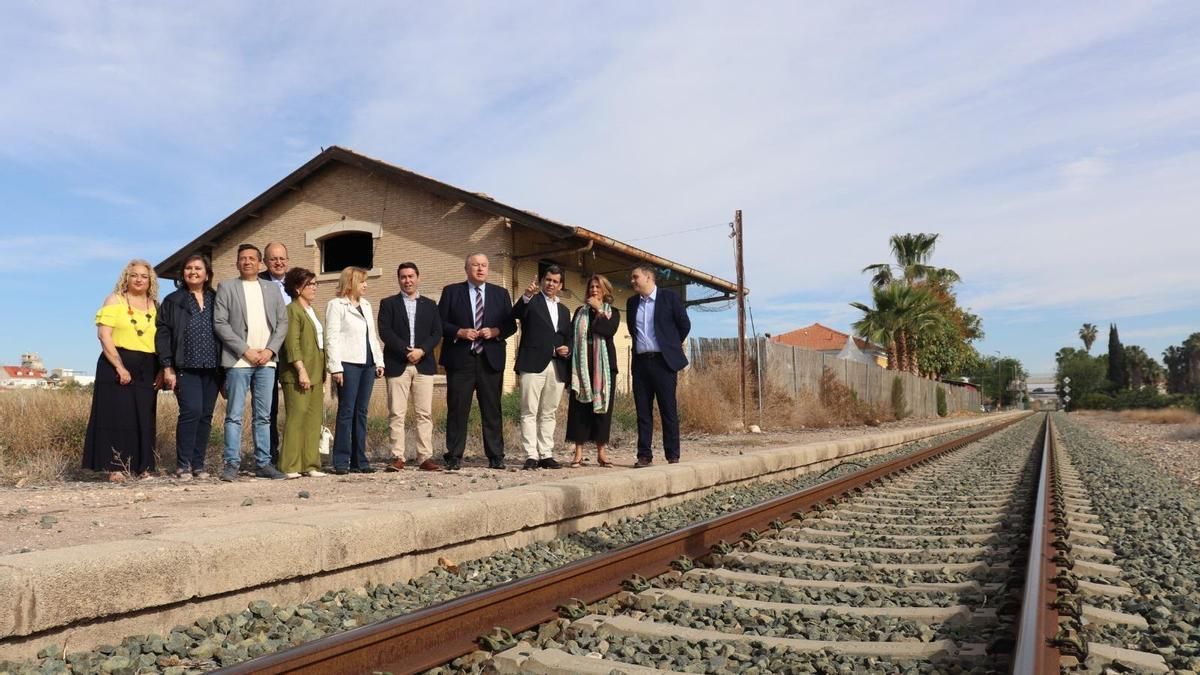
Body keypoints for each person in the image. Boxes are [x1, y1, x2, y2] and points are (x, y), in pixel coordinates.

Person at [213, 244, 289, 481]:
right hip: (238, 361)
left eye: (252, 258)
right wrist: (245, 350)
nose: (247, 262)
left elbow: (282, 323)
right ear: (237, 263)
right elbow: (220, 323)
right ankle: (232, 463)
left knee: (264, 416)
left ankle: (263, 463)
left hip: (267, 362)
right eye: (242, 258)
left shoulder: (272, 289)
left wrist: (269, 350)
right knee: (234, 415)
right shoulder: (227, 287)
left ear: (260, 263)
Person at [83, 259, 163, 482]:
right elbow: (104, 335)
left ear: (150, 281)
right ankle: (115, 468)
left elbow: (162, 340)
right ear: (126, 278)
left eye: (144, 276)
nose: (139, 279)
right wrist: (119, 366)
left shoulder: (155, 305)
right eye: (134, 275)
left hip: (148, 365)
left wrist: (162, 369)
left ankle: (144, 467)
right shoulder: (114, 300)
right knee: (117, 416)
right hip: (116, 362)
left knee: (144, 417)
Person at [437, 253, 516, 471]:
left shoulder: (500, 294)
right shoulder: (451, 292)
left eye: (484, 265)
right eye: (475, 265)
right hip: (461, 359)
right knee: (457, 409)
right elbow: (439, 323)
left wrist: (496, 331)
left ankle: (495, 455)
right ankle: (453, 455)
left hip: (490, 360)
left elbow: (511, 325)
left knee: (492, 410)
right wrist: (459, 332)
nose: (480, 269)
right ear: (466, 268)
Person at [155, 253, 221, 480]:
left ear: (207, 274)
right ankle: (183, 464)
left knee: (205, 415)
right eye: (188, 268)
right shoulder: (173, 301)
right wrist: (167, 366)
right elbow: (163, 334)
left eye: (198, 268)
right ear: (183, 273)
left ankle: (198, 464)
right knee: (191, 412)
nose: (193, 272)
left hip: (212, 367)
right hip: (185, 366)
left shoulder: (216, 299)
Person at [378, 262, 442, 472]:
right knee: (397, 413)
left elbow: (436, 332)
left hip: (424, 365)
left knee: (424, 414)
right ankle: (398, 457)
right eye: (403, 277)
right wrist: (407, 351)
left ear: (418, 278)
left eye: (411, 276)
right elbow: (385, 332)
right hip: (398, 364)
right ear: (399, 280)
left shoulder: (430, 305)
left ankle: (425, 457)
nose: (407, 280)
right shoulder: (388, 304)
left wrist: (421, 350)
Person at [626, 265, 691, 466]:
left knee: (668, 410)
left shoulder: (669, 298)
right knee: (643, 412)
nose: (632, 281)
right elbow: (633, 329)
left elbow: (684, 325)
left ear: (648, 277)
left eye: (635, 277)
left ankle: (672, 454)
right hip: (641, 364)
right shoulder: (631, 303)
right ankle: (644, 455)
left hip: (664, 363)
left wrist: (670, 345)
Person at [325, 266, 385, 474]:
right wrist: (335, 367)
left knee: (362, 412)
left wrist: (379, 362)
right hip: (347, 364)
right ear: (350, 283)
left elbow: (372, 336)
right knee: (346, 411)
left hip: (367, 364)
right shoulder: (336, 305)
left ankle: (360, 460)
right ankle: (341, 460)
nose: (366, 285)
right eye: (362, 281)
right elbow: (331, 337)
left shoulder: (366, 305)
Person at [512, 265, 571, 470]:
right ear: (542, 280)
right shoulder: (532, 301)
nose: (550, 284)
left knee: (549, 412)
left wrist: (568, 348)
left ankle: (546, 453)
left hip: (556, 366)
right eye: (548, 280)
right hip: (532, 363)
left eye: (555, 281)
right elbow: (516, 313)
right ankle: (531, 455)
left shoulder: (564, 310)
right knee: (529, 411)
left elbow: (567, 336)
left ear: (560, 285)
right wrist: (527, 295)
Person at [565, 274, 620, 468]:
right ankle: (578, 453)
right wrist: (567, 349)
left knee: (602, 410)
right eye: (591, 287)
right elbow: (572, 336)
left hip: (604, 369)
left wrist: (598, 309)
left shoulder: (612, 312)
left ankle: (601, 452)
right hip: (581, 366)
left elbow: (607, 330)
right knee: (579, 409)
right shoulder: (580, 311)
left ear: (605, 291)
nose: (594, 290)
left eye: (598, 287)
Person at [277, 267, 328, 478]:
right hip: (299, 373)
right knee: (296, 418)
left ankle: (311, 464)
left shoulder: (312, 311)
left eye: (315, 284)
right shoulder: (292, 310)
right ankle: (290, 465)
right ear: (298, 288)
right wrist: (301, 371)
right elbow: (292, 344)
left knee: (313, 419)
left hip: (317, 372)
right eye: (311, 284)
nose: (315, 288)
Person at [260, 242, 290, 464]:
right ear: (265, 262)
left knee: (295, 406)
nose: (278, 263)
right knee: (268, 407)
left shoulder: (296, 282)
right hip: (268, 351)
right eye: (273, 259)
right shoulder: (258, 282)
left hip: (292, 352)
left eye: (282, 258)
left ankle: (293, 454)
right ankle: (270, 454)